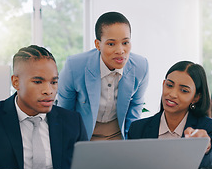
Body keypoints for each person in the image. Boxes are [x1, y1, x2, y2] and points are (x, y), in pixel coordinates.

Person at [57, 11, 149, 141]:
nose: (120, 51)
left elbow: (135, 107)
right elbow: (65, 113)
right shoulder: (74, 67)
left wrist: (130, 143)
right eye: (111, 44)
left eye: (125, 42)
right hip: (82, 133)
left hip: (117, 132)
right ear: (97, 44)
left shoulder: (141, 67)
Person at [128, 61, 212, 168]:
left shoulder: (210, 127)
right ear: (163, 85)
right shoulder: (138, 128)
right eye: (169, 85)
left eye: (183, 90)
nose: (172, 94)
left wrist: (206, 146)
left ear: (196, 97)